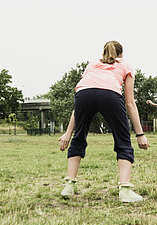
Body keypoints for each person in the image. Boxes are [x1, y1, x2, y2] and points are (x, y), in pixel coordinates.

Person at [58, 41, 149, 203]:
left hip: (83, 95)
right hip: (110, 95)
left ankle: (69, 186)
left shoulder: (92, 65)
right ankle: (125, 190)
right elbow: (130, 103)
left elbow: (78, 105)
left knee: (79, 137)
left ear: (104, 53)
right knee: (123, 140)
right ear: (120, 54)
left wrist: (68, 132)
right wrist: (140, 134)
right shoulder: (125, 65)